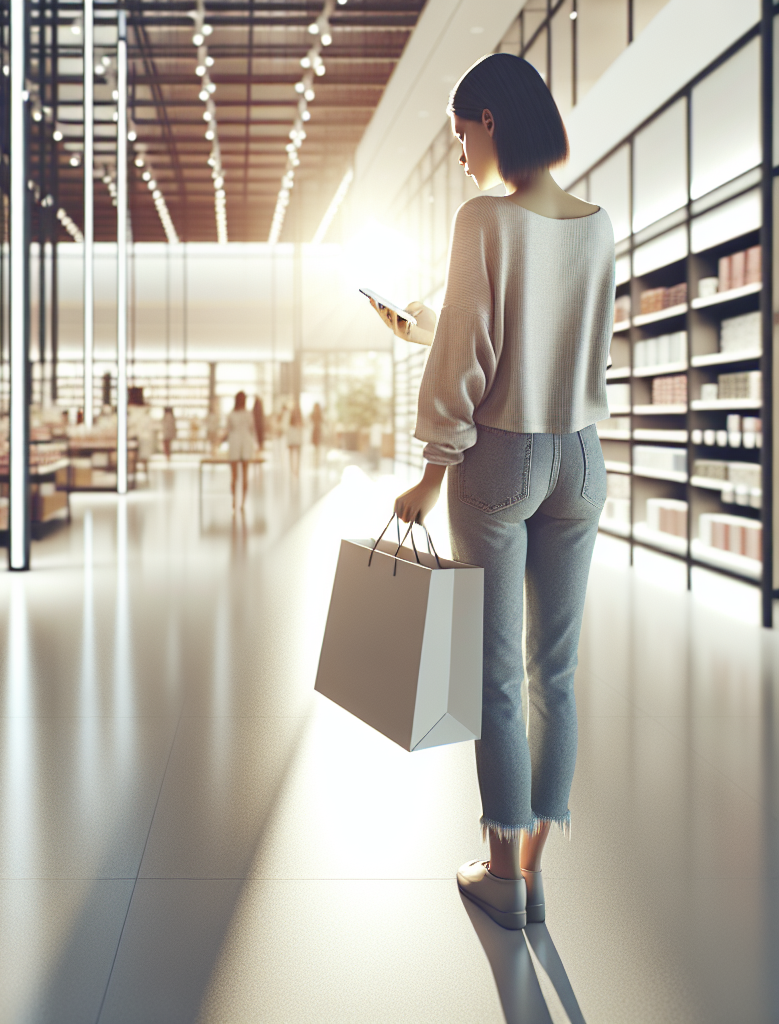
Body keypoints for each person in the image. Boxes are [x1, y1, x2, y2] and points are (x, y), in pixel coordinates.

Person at [377, 53, 612, 931]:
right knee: (557, 673)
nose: (459, 152)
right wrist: (430, 330)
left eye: (459, 133)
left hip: (501, 464)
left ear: (489, 121)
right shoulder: (598, 223)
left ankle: (501, 873)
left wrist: (431, 478)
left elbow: (467, 365)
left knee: (498, 682)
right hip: (582, 459)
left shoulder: (483, 219)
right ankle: (535, 872)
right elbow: (554, 339)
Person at [225, 390, 257, 512]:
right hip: (244, 443)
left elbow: (228, 430)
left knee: (234, 476)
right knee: (244, 475)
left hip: (235, 443)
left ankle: (235, 500)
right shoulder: (248, 414)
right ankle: (242, 502)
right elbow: (252, 429)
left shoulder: (232, 414)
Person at [286, 403, 303, 475]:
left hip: (294, 439)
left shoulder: (294, 420)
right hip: (295, 438)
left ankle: (294, 469)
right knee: (295, 454)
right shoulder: (295, 421)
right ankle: (294, 469)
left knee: (292, 454)